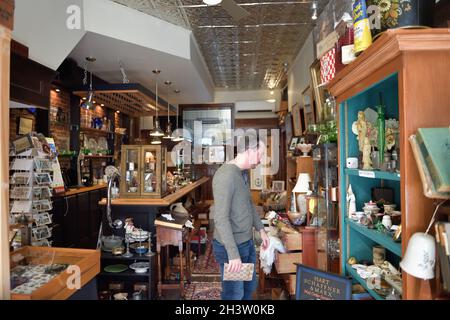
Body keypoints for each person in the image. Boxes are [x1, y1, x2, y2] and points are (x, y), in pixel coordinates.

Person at [212, 136, 270, 300]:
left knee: (247, 290)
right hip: (232, 247)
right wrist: (233, 254)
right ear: (250, 151)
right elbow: (221, 219)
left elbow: (248, 204)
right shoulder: (226, 176)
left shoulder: (241, 173)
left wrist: (261, 229)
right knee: (234, 295)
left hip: (246, 243)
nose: (260, 159)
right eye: (260, 154)